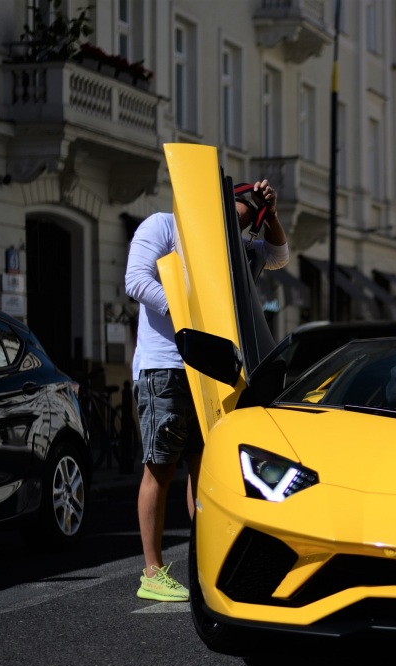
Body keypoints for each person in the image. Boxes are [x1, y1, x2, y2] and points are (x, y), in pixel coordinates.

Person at [125, 179, 290, 601]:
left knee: (204, 469)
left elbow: (278, 256)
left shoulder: (232, 251)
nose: (233, 227)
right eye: (230, 215)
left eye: (242, 223)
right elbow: (136, 281)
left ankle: (203, 561)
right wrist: (187, 311)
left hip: (211, 370)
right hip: (165, 366)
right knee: (160, 467)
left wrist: (270, 213)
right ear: (214, 204)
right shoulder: (162, 226)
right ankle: (151, 571)